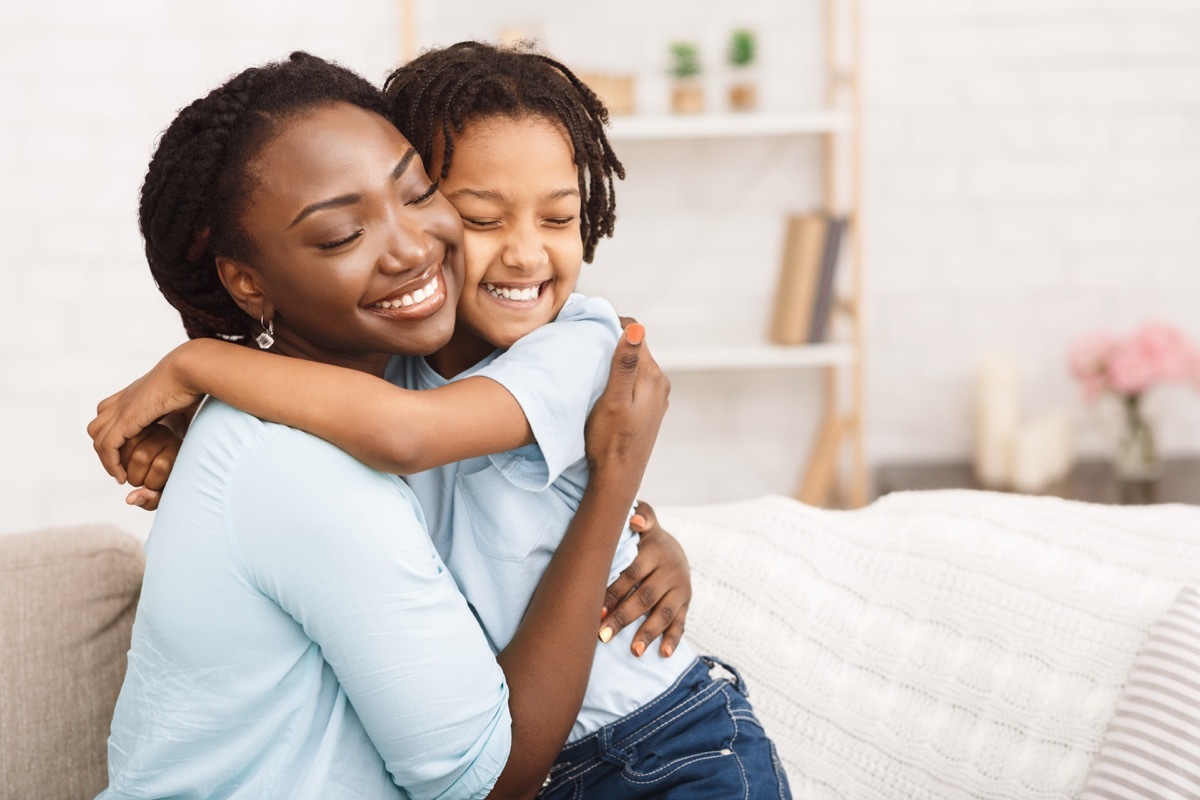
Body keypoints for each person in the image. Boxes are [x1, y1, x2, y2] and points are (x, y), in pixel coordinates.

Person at [91, 42, 791, 798]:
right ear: (247, 281)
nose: (525, 254)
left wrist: (197, 367)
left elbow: (405, 438)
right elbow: (369, 430)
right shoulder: (377, 387)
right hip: (560, 760)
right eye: (482, 216)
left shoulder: (581, 345)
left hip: (664, 739)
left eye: (560, 218)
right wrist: (197, 418)